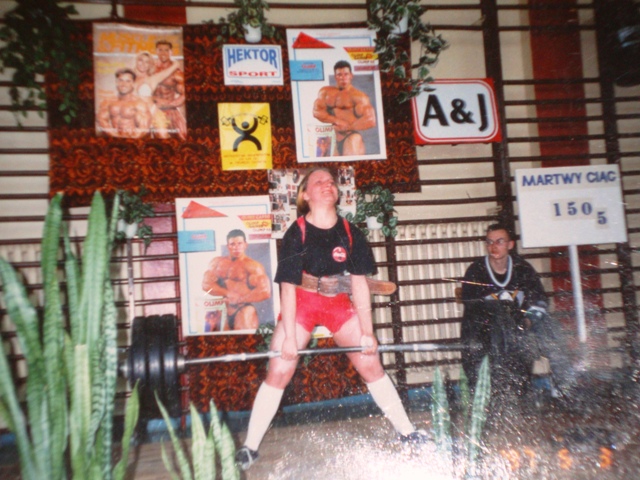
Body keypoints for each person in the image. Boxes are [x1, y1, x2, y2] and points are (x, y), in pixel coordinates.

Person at [235, 167, 428, 471]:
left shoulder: (350, 232)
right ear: (306, 195)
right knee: (280, 368)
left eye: (331, 182)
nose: (327, 185)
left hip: (337, 303)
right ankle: (250, 447)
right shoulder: (296, 232)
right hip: (302, 302)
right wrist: (288, 338)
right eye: (319, 182)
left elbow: (360, 284)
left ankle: (407, 433)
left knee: (371, 363)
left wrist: (368, 332)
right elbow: (287, 286)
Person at [460, 223, 574, 403]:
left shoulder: (523, 268)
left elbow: (539, 301)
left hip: (521, 326)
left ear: (510, 245)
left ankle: (563, 392)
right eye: (489, 242)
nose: (494, 246)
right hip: (488, 330)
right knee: (478, 344)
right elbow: (472, 312)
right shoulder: (475, 271)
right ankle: (483, 400)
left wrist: (527, 321)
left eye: (500, 241)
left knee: (553, 334)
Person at [201, 230, 271, 330]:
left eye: (239, 243)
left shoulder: (253, 266)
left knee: (245, 339)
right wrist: (228, 293)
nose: (236, 247)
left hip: (243, 309)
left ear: (245, 245)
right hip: (223, 310)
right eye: (232, 244)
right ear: (228, 246)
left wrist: (240, 299)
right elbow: (206, 284)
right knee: (220, 339)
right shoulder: (217, 263)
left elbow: (265, 291)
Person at [312, 61, 376, 156]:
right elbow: (317, 112)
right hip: (332, 138)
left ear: (351, 75)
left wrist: (348, 127)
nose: (343, 77)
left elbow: (370, 120)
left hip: (350, 136)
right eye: (339, 75)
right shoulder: (325, 92)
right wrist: (337, 120)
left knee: (351, 163)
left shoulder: (359, 96)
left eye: (346, 74)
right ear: (335, 77)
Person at [132, 51, 180, 139]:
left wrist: (169, 57)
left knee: (163, 136)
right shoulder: (129, 79)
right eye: (141, 60)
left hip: (152, 112)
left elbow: (175, 65)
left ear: (150, 65)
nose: (143, 64)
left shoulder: (152, 79)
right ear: (136, 61)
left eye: (147, 62)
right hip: (135, 115)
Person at [96, 68, 151, 139]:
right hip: (113, 139)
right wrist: (115, 136)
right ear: (116, 82)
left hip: (133, 140)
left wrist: (131, 139)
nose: (123, 84)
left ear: (133, 84)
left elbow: (144, 127)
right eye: (120, 80)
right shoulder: (108, 102)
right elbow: (101, 120)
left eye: (128, 81)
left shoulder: (139, 104)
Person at [152, 40, 187, 140]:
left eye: (166, 50)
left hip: (170, 110)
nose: (163, 53)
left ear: (171, 52)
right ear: (156, 51)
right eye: (160, 50)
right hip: (153, 110)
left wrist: (169, 104)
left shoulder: (176, 73)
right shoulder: (150, 69)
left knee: (183, 137)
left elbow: (184, 94)